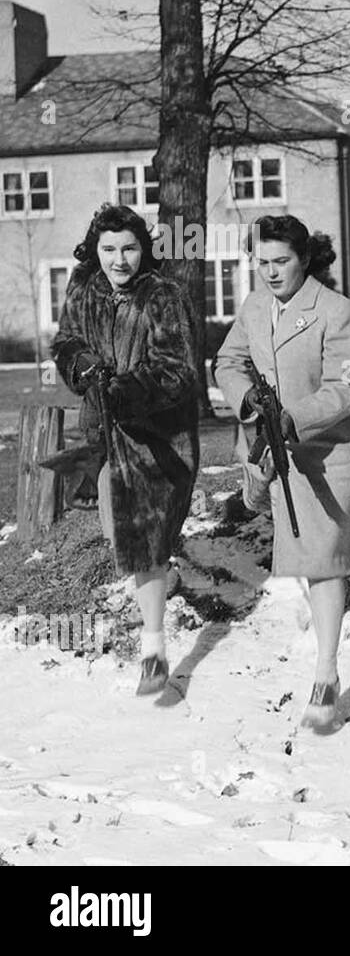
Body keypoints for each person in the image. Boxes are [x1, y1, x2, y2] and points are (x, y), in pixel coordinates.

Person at [214, 216, 350, 730]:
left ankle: (326, 673)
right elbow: (227, 362)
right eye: (262, 262)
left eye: (281, 261)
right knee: (307, 558)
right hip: (269, 457)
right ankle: (331, 615)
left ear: (304, 258)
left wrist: (294, 416)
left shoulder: (336, 312)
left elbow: (348, 389)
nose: (271, 272)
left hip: (324, 455)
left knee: (321, 560)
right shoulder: (257, 307)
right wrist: (249, 398)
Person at [51, 204, 201, 696]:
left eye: (130, 248)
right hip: (103, 437)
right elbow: (65, 341)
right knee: (125, 536)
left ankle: (153, 652)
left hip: (158, 437)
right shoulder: (84, 287)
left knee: (144, 540)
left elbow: (178, 370)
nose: (120, 260)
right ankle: (157, 588)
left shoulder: (164, 295)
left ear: (145, 249)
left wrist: (127, 390)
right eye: (109, 249)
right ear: (95, 251)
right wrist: (82, 365)